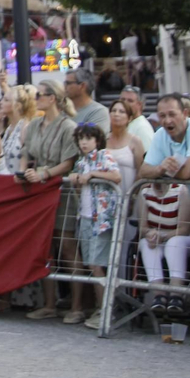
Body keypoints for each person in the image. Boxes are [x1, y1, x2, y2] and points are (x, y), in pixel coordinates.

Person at [139, 94, 190, 292]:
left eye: (172, 114)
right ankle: (164, 296)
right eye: (162, 115)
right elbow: (143, 171)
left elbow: (188, 173)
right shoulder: (160, 135)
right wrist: (160, 168)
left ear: (185, 114)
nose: (167, 121)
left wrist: (164, 170)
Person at [19, 79, 79, 321]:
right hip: (40, 192)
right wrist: (23, 170)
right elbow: (26, 152)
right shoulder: (34, 125)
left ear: (52, 98)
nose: (36, 99)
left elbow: (68, 161)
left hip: (61, 190)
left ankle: (76, 306)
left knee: (67, 246)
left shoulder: (68, 127)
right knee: (45, 247)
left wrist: (45, 173)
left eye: (39, 95)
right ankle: (49, 304)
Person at [70, 123, 121, 329]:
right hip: (85, 216)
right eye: (81, 138)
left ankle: (104, 309)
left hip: (100, 218)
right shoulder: (81, 162)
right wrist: (75, 178)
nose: (84, 142)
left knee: (97, 264)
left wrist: (93, 175)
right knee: (91, 263)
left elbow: (116, 176)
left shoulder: (104, 156)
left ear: (97, 140)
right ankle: (99, 307)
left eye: (88, 138)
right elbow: (76, 178)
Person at [138, 178, 190, 316]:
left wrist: (162, 236)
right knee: (146, 244)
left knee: (174, 243)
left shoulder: (181, 190)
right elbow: (142, 228)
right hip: (157, 235)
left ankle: (176, 294)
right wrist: (150, 233)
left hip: (178, 235)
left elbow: (184, 229)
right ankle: (159, 295)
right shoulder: (145, 191)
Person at [0, 83, 36, 176]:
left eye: (6, 100)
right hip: (6, 181)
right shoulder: (9, 128)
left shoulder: (26, 128)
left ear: (17, 105)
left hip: (19, 182)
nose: (1, 102)